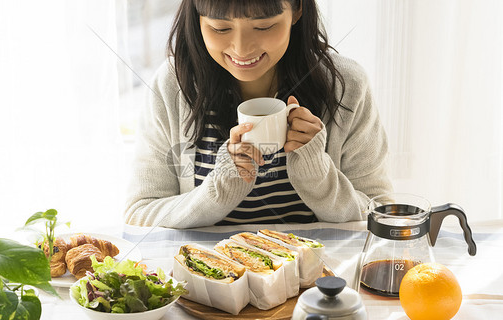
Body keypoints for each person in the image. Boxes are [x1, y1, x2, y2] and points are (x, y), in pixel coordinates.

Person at [124, 0, 392, 228]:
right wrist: (218, 191)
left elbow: (380, 216)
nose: (242, 49)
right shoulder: (174, 86)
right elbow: (138, 217)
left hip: (312, 284)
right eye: (221, 28)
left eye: (263, 26)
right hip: (206, 284)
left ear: (297, 10)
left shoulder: (346, 86)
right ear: (198, 19)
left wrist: (318, 176)